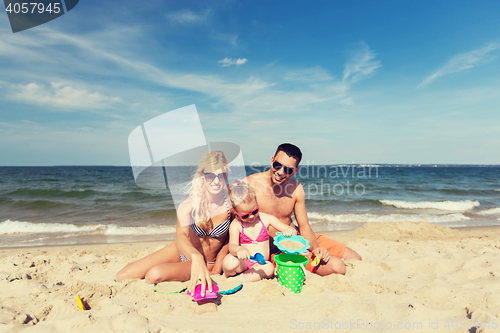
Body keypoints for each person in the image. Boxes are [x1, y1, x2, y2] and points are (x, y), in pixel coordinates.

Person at [116, 151, 231, 297]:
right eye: (210, 175)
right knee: (122, 276)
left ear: (226, 176)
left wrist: (219, 262)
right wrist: (195, 256)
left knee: (153, 275)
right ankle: (143, 262)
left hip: (206, 261)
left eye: (221, 175)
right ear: (202, 175)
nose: (216, 181)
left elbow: (232, 235)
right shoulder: (188, 206)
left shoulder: (231, 203)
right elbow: (181, 237)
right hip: (184, 251)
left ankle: (157, 265)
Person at [245, 143, 362, 276]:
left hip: (299, 238)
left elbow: (304, 225)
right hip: (277, 250)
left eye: (288, 170)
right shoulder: (249, 185)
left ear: (295, 170)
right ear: (272, 161)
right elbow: (233, 220)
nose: (281, 172)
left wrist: (316, 247)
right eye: (278, 165)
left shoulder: (296, 188)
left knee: (355, 258)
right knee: (338, 267)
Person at [222, 180, 297, 282]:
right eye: (245, 215)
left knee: (269, 268)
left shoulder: (266, 219)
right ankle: (231, 276)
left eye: (254, 211)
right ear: (236, 212)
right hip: (243, 263)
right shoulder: (236, 225)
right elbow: (232, 246)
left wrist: (289, 230)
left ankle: (236, 280)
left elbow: (290, 229)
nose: (252, 216)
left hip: (260, 264)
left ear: (256, 203)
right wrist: (238, 249)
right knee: (229, 263)